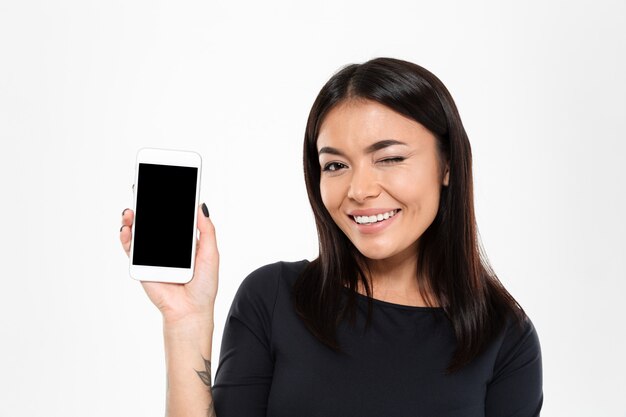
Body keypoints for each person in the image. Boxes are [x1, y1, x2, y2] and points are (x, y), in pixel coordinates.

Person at [120, 57, 543, 417]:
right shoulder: (272, 298)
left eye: (390, 158)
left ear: (447, 165)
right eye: (335, 166)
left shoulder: (504, 336)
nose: (359, 190)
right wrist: (185, 321)